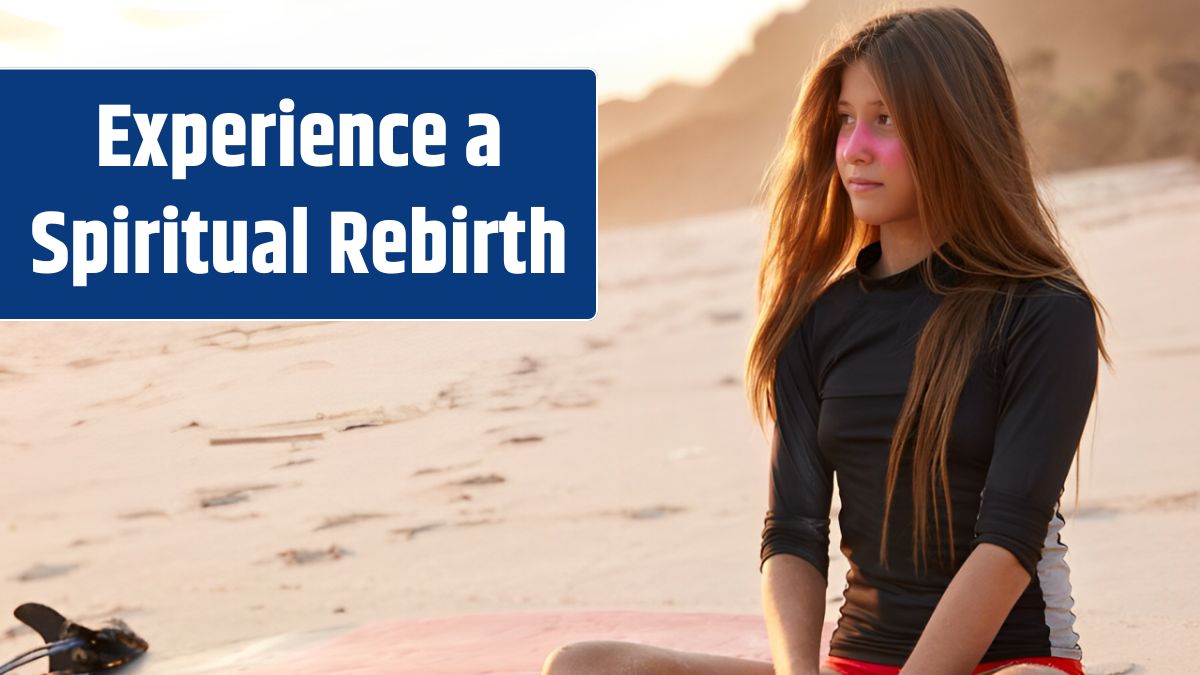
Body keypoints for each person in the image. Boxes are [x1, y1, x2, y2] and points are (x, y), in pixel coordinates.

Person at [541, 5, 1111, 675]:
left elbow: (1009, 544)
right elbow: (792, 534)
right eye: (845, 119)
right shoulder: (816, 321)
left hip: (1006, 662)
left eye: (886, 119)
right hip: (857, 663)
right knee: (583, 665)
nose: (855, 147)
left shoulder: (1044, 311)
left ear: (956, 126)